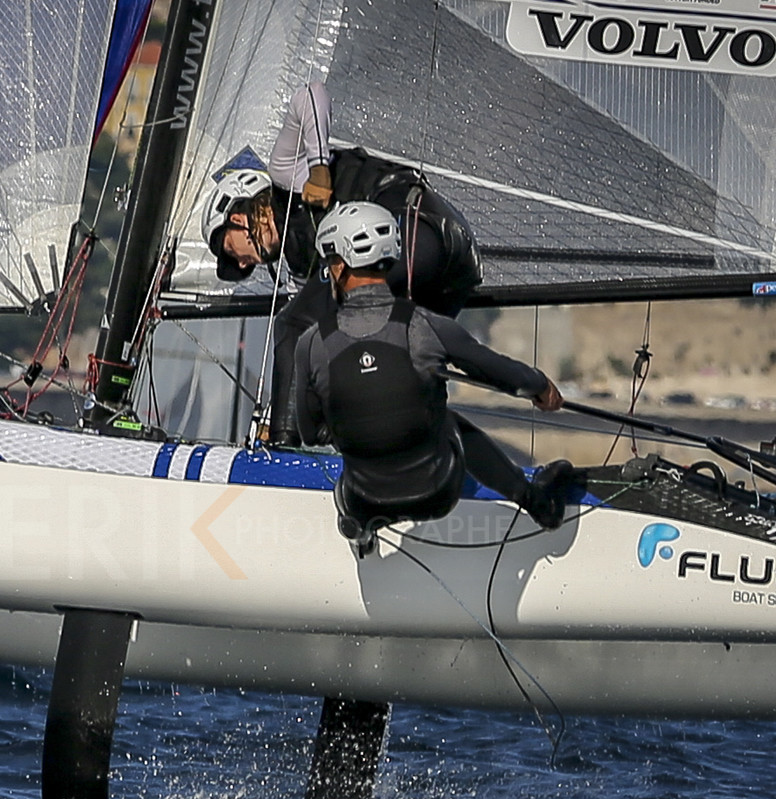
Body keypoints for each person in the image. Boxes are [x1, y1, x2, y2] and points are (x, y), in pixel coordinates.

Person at [203, 81, 484, 442]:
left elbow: (310, 95)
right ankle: (494, 477)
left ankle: (284, 445)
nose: (242, 265)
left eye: (229, 251)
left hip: (416, 229)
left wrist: (319, 168)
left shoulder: (286, 175)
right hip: (452, 268)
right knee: (395, 374)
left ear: (237, 212)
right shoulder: (306, 271)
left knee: (293, 324)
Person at [292, 202, 574, 552]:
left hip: (365, 499)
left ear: (341, 263)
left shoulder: (311, 344)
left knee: (354, 475)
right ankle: (538, 503)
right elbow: (498, 370)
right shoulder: (425, 326)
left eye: (329, 262)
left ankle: (361, 530)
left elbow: (310, 431)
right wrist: (540, 386)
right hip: (437, 494)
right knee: (446, 419)